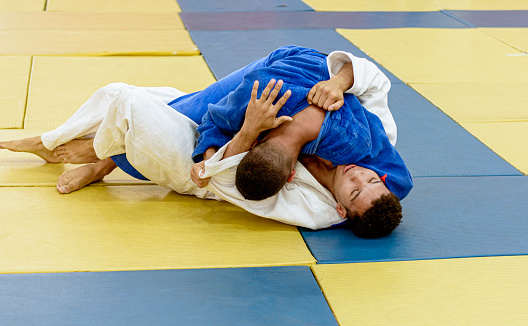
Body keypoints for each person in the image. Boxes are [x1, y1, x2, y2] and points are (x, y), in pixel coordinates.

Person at [1, 46, 410, 236]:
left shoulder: (311, 207)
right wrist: (338, 83)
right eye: (371, 182)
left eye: (355, 190)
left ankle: (88, 151)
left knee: (147, 105)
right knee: (172, 109)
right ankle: (101, 153)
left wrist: (246, 132)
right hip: (295, 64)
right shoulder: (376, 148)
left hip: (236, 141)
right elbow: (374, 80)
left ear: (340, 208)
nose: (360, 176)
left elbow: (228, 182)